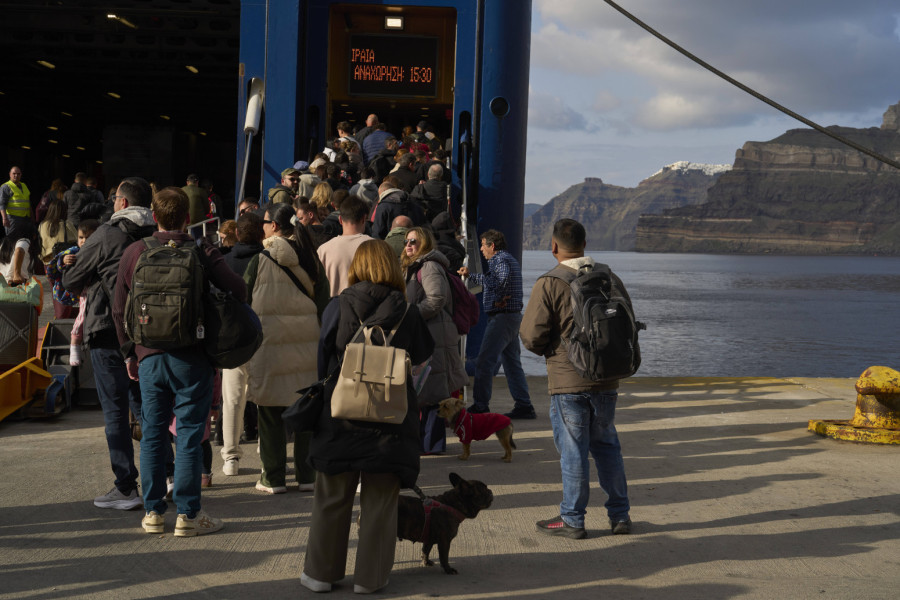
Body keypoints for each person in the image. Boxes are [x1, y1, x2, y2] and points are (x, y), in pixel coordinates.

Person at [113, 186, 247, 536]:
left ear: (154, 217)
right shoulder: (202, 250)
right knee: (188, 435)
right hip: (193, 357)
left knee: (153, 434)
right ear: (188, 218)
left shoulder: (135, 252)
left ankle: (153, 513)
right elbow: (239, 289)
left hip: (149, 358)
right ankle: (189, 515)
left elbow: (118, 308)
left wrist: (129, 352)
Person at [302, 239, 434, 595]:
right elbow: (423, 354)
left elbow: (323, 359)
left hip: (341, 413)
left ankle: (320, 574)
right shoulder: (408, 312)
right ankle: (370, 578)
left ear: (357, 267)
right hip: (390, 420)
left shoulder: (337, 305)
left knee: (331, 495)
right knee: (380, 502)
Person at [520, 218, 633, 539]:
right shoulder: (610, 277)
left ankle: (572, 519)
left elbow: (531, 336)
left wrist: (550, 350)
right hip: (607, 379)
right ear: (584, 244)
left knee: (573, 452)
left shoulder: (550, 282)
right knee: (608, 447)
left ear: (554, 246)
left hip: (568, 382)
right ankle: (620, 516)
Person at [62, 177, 158, 511]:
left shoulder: (106, 234)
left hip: (107, 331)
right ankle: (166, 474)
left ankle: (126, 487)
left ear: (122, 202)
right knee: (147, 407)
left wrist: (82, 269)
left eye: (115, 197)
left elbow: (71, 280)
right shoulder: (155, 234)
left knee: (115, 411)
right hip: (147, 333)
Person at [239, 202, 328, 494]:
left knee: (269, 412)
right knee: (306, 410)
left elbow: (244, 301)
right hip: (307, 347)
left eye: (264, 223)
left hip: (270, 347)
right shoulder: (312, 258)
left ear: (274, 226)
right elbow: (324, 304)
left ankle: (273, 478)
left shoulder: (259, 260)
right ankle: (307, 475)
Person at [401, 227, 469, 454]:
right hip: (427, 333)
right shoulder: (414, 266)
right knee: (426, 388)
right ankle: (427, 443)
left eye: (413, 241)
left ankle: (432, 444)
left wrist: (410, 314)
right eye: (406, 241)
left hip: (434, 334)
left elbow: (437, 299)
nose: (408, 245)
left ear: (425, 243)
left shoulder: (428, 266)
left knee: (433, 390)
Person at [458, 229, 534, 419]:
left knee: (484, 362)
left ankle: (481, 405)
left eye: (483, 245)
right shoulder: (508, 259)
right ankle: (524, 405)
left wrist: (472, 276)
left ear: (492, 245)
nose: (481, 249)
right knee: (512, 363)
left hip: (502, 318)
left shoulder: (500, 260)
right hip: (511, 317)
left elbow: (501, 280)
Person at [219, 213, 265, 476]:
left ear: (236, 234)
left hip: (233, 339)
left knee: (232, 399)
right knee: (265, 396)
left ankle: (231, 457)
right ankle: (265, 449)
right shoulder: (268, 261)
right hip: (264, 335)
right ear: (262, 234)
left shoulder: (224, 262)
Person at [53, 219, 100, 364]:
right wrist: (64, 260)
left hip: (94, 290)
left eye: (88, 237)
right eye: (81, 237)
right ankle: (74, 345)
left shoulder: (99, 250)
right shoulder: (74, 252)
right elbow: (59, 263)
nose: (84, 241)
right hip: (84, 292)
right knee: (81, 317)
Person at [316, 194, 373, 297]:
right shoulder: (377, 247)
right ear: (364, 219)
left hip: (333, 305)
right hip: (367, 304)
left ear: (340, 220)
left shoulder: (323, 250)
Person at [37, 199, 77, 266]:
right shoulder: (66, 224)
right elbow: (77, 238)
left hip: (47, 261)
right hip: (63, 260)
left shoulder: (42, 225)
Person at [0, 221, 40, 285]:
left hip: (3, 282)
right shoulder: (24, 241)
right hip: (15, 283)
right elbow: (19, 250)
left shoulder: (5, 242)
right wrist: (17, 274)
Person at [1, 166, 32, 235]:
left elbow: (28, 202)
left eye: (18, 174)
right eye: (14, 173)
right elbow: (2, 204)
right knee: (13, 239)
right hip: (13, 219)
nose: (16, 175)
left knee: (24, 239)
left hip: (25, 219)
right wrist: (4, 218)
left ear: (21, 175)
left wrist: (32, 217)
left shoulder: (24, 185)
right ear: (10, 174)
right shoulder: (6, 187)